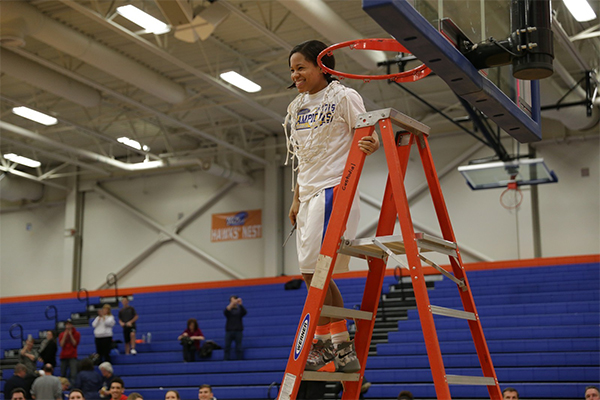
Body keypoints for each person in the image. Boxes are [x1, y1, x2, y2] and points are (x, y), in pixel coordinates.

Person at [285, 40, 379, 373]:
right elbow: (302, 157)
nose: (295, 74)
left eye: (301, 67)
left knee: (318, 271)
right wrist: (296, 197)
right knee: (310, 273)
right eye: (292, 69)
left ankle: (332, 345)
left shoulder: (344, 96)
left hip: (333, 190)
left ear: (322, 65)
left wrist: (372, 142)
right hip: (308, 193)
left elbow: (367, 131)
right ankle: (336, 343)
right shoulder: (296, 106)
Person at [223, 295, 246, 360]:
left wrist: (240, 304)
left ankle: (239, 359)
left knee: (239, 347)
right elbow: (225, 312)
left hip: (238, 331)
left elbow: (244, 312)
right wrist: (232, 304)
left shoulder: (239, 310)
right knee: (227, 346)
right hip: (229, 331)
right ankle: (226, 359)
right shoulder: (229, 310)